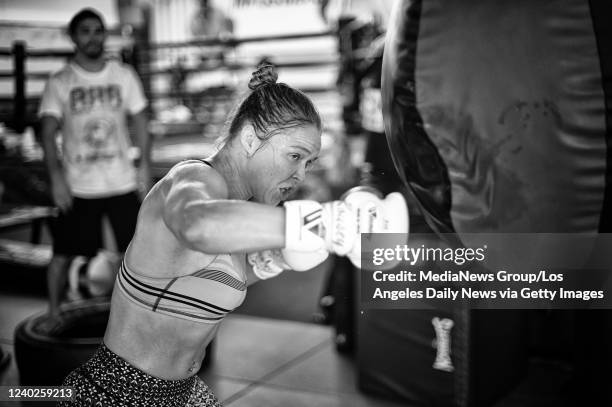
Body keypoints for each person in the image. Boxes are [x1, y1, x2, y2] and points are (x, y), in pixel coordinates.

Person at [59, 62, 407, 406]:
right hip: (122, 393)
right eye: (295, 156)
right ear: (251, 139)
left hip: (184, 393)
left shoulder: (241, 208)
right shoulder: (192, 180)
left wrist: (271, 261)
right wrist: (326, 224)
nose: (300, 174)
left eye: (309, 162)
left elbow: (207, 277)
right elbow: (199, 226)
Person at [38, 8, 151, 317]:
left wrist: (143, 167)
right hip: (79, 185)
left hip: (121, 181)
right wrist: (56, 178)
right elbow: (47, 133)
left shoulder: (123, 75)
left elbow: (141, 120)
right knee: (61, 256)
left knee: (138, 255)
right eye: (85, 31)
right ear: (73, 36)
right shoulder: (61, 82)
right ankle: (52, 313)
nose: (93, 37)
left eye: (98, 30)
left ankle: (139, 316)